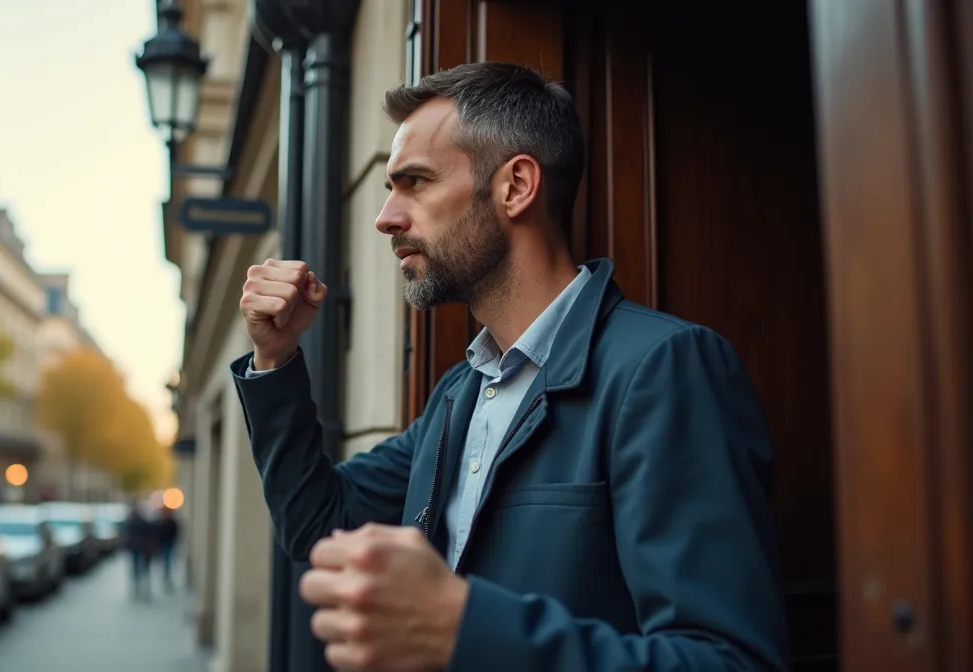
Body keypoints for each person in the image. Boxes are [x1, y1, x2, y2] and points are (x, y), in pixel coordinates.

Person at [234, 61, 789, 672]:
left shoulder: (663, 368)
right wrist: (276, 358)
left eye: (414, 182)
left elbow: (731, 661)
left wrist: (464, 628)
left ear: (516, 186)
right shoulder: (460, 393)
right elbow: (322, 527)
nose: (386, 217)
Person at [123, 501, 154, 600]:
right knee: (139, 568)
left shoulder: (133, 522)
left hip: (140, 549)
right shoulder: (133, 522)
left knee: (139, 568)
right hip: (137, 549)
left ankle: (140, 587)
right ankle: (141, 587)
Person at [154, 505, 180, 592]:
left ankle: (167, 577)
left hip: (169, 544)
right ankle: (165, 576)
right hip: (162, 544)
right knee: (163, 561)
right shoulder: (159, 522)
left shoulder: (172, 522)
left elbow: (176, 533)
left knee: (168, 561)